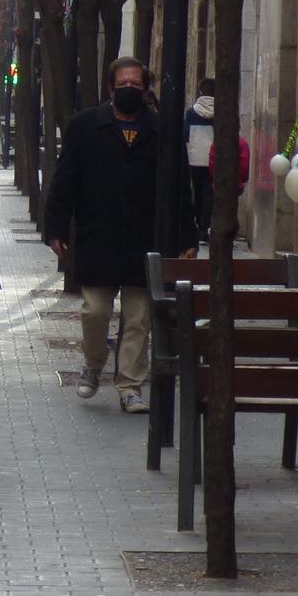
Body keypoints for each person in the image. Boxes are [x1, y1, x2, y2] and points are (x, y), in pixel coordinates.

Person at [44, 56, 185, 413]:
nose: (129, 91)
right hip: (98, 237)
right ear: (110, 88)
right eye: (122, 85)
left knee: (138, 318)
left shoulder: (162, 131)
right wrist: (57, 228)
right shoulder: (84, 127)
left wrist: (186, 236)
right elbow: (64, 180)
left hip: (145, 240)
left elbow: (180, 186)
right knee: (94, 311)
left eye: (136, 86)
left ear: (146, 88)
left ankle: (130, 385)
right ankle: (94, 362)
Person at [185, 77, 217, 244]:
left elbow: (186, 135)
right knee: (209, 193)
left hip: (195, 158)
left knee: (197, 191)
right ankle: (205, 226)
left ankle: (199, 225)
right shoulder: (220, 112)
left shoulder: (191, 112)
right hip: (213, 159)